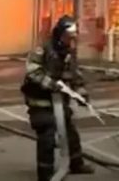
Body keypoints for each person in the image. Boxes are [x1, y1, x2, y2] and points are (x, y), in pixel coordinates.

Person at [21, 16, 95, 180]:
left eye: (72, 37)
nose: (70, 41)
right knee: (47, 133)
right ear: (59, 33)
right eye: (68, 37)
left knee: (69, 131)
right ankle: (45, 173)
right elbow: (32, 71)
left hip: (59, 101)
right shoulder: (42, 48)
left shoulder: (68, 52)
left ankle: (76, 164)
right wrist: (50, 83)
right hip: (40, 100)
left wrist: (81, 92)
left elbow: (74, 74)